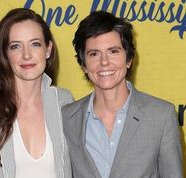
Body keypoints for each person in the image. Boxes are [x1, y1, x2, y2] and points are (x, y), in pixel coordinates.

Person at [62, 10, 183, 178]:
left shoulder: (161, 116)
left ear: (129, 59)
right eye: (94, 54)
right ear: (84, 64)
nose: (104, 62)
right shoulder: (66, 118)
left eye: (113, 51)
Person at [0, 8, 73, 178]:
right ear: (4, 53)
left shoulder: (64, 101)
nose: (26, 55)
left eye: (35, 44)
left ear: (48, 49)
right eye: (15, 46)